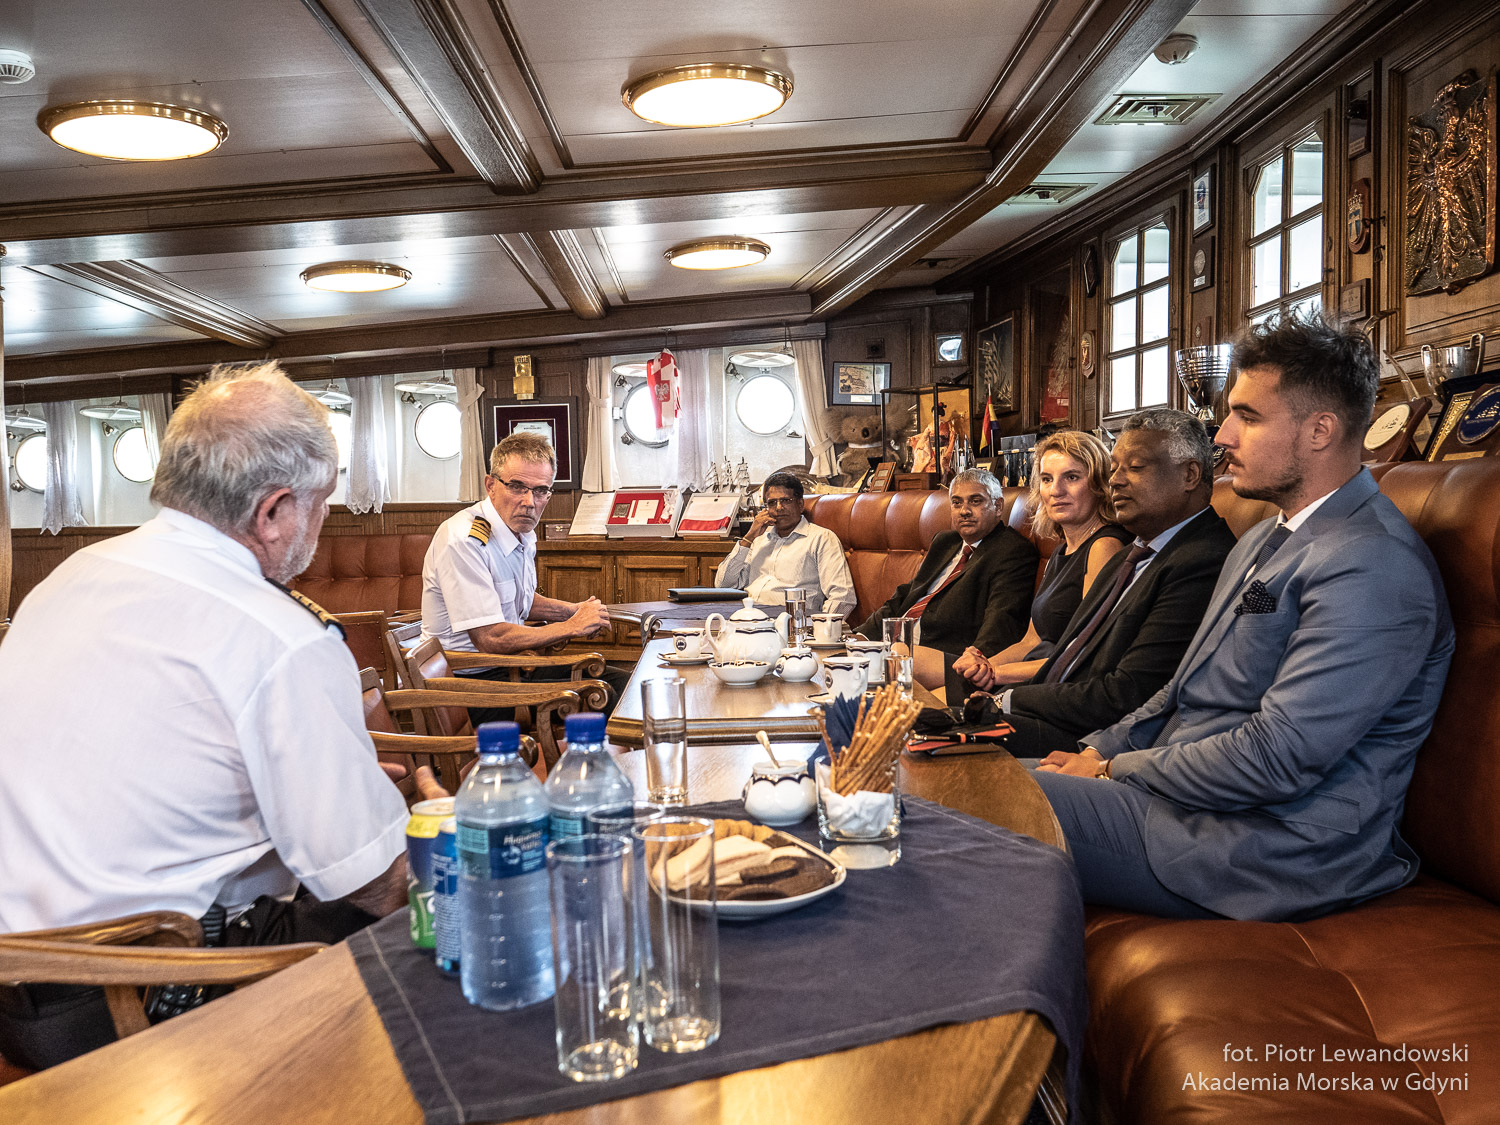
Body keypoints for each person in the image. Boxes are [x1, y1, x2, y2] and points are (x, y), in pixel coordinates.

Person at [0, 362, 410, 1068]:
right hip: (140, 998)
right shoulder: (283, 637)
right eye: (322, 503)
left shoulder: (70, 577)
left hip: (17, 988)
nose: (323, 522)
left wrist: (325, 790)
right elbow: (375, 884)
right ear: (273, 511)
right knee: (428, 912)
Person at [1032, 312, 1454, 923]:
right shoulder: (1260, 539)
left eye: (1247, 417)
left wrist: (1114, 769)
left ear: (1320, 430)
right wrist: (1096, 749)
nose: (1223, 435)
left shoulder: (1374, 565)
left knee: (964, 799)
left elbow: (1279, 756)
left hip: (1272, 845)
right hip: (1183, 802)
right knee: (955, 776)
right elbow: (1178, 692)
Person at [967, 409, 1237, 756]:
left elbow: (1126, 694)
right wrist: (1000, 689)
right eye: (1114, 470)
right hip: (1051, 710)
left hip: (1093, 740)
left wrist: (1008, 699)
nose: (1116, 481)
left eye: (1135, 467)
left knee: (933, 737)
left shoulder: (1200, 559)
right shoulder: (1133, 555)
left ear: (1190, 475)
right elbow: (1066, 653)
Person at [419, 430, 627, 718]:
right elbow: (490, 638)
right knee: (603, 696)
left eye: (540, 490)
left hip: (510, 669)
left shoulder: (522, 531)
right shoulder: (464, 540)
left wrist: (573, 611)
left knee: (624, 683)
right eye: (517, 487)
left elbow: (522, 600)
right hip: (466, 686)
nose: (529, 501)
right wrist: (572, 626)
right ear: (491, 485)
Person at [952, 430, 1128, 688]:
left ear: (1099, 484)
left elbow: (1087, 655)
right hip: (1029, 676)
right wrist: (983, 665)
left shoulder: (1105, 546)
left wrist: (997, 673)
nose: (1056, 490)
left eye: (1071, 477)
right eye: (1047, 479)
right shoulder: (1062, 550)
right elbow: (1030, 642)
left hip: (1058, 688)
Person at [855, 468, 1038, 689]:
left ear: (998, 506)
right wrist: (860, 638)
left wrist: (977, 664)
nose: (964, 511)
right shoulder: (945, 542)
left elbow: (1001, 620)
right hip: (892, 649)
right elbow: (906, 597)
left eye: (975, 501)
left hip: (946, 659)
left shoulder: (1012, 551)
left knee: (890, 658)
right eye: (957, 503)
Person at [713, 471, 856, 616]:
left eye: (786, 501)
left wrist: (821, 627)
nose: (779, 507)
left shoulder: (821, 538)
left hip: (790, 620)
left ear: (800, 504)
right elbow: (724, 584)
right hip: (746, 616)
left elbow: (843, 597)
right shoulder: (758, 539)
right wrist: (748, 538)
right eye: (772, 503)